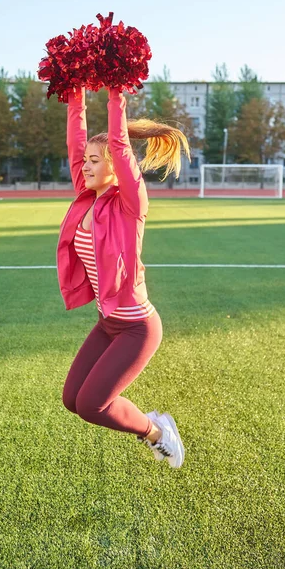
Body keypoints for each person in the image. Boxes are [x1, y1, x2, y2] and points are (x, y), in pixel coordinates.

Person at [57, 86, 190, 468]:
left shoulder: (131, 204)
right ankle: (154, 428)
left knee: (92, 405)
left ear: (116, 164)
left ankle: (157, 431)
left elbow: (118, 142)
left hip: (137, 328)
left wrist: (116, 93)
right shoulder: (87, 197)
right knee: (72, 401)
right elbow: (75, 142)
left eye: (96, 161)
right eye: (86, 161)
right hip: (107, 323)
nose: (86, 166)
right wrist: (74, 93)